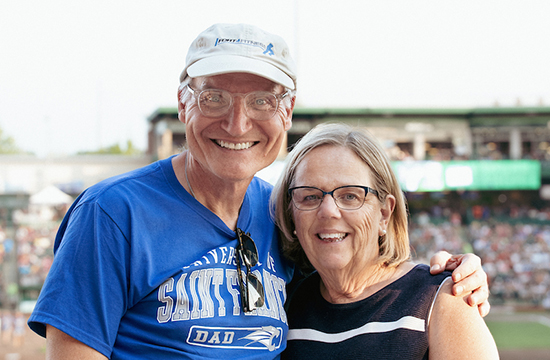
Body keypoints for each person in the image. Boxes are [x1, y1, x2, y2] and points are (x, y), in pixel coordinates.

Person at [28, 23, 489, 359]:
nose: (237, 123)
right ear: (183, 101)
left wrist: (458, 274)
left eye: (262, 101)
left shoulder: (280, 217)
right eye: (214, 97)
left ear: (286, 112)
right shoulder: (111, 213)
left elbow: (360, 271)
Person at [271, 123, 499, 359]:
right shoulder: (282, 308)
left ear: (384, 213)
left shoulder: (440, 300)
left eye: (350, 196)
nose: (328, 211)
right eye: (309, 196)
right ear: (291, 215)